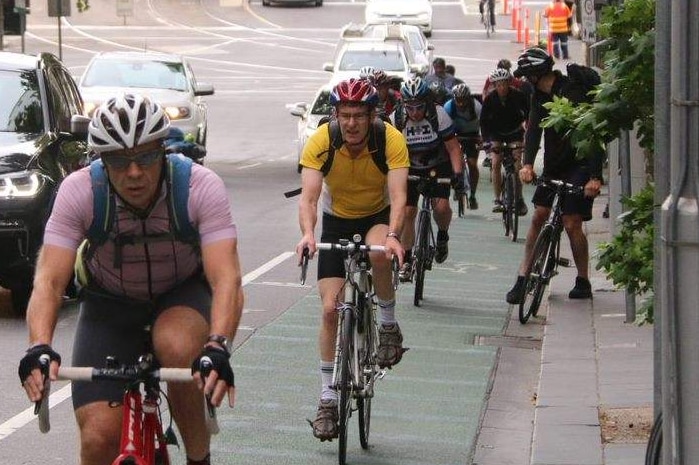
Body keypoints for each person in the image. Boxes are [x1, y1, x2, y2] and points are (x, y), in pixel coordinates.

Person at [18, 94, 243, 465]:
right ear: (101, 161)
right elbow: (49, 282)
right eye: (120, 160)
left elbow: (226, 280)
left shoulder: (200, 187)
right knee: (98, 438)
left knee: (177, 343)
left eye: (147, 157)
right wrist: (38, 346)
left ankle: (198, 458)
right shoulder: (80, 192)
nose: (134, 172)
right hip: (110, 304)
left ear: (164, 151)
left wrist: (217, 346)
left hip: (181, 293)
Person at [295, 78, 409, 441]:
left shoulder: (389, 139)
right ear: (336, 115)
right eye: (345, 115)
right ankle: (328, 399)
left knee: (378, 256)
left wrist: (393, 235)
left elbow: (399, 194)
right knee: (330, 309)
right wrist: (308, 235)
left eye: (359, 115)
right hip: (336, 221)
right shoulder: (321, 141)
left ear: (372, 115)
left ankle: (388, 325)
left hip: (377, 216)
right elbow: (310, 198)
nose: (352, 123)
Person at [507, 48, 604, 304]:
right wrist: (527, 164)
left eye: (528, 76)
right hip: (554, 165)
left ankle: (583, 280)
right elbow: (533, 132)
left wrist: (595, 176)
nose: (527, 81)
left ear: (537, 74)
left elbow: (591, 133)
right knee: (539, 215)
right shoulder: (539, 97)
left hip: (580, 166)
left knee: (571, 222)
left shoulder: (573, 92)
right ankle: (522, 276)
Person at [391, 77, 464, 280]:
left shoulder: (438, 114)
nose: (414, 113)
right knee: (407, 211)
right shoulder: (396, 118)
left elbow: (453, 147)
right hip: (409, 166)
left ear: (427, 103)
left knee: (440, 208)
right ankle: (406, 259)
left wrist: (457, 174)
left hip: (437, 165)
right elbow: (389, 153)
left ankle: (442, 234)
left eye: (419, 107)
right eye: (410, 108)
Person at [480, 68, 530, 215]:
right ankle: (497, 199)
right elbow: (483, 122)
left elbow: (529, 114)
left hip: (515, 132)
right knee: (496, 162)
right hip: (496, 133)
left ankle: (519, 199)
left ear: (509, 83)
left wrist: (527, 134)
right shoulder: (490, 98)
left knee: (517, 165)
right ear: (494, 86)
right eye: (498, 85)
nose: (502, 88)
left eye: (504, 84)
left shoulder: (518, 96)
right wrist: (486, 141)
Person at [443, 83, 482, 209]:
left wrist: (482, 139)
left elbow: (485, 125)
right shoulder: (448, 107)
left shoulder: (476, 106)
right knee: (453, 160)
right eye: (458, 100)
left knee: (472, 164)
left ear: (468, 98)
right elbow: (443, 125)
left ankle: (473, 195)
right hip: (455, 133)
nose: (460, 103)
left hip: (472, 135)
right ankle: (457, 185)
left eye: (463, 100)